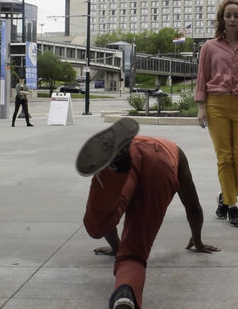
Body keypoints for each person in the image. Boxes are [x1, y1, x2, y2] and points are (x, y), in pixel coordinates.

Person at [76, 117, 220, 309]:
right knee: (133, 253)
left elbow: (111, 223)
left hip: (132, 150)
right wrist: (197, 239)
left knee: (102, 218)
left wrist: (116, 246)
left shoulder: (137, 143)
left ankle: (115, 169)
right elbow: (193, 207)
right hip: (161, 165)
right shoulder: (176, 151)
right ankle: (125, 293)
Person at [194, 0, 238, 228]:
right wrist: (201, 108)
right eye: (228, 15)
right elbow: (203, 78)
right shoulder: (210, 47)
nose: (232, 19)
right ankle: (232, 207)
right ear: (222, 20)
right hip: (217, 105)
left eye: (236, 15)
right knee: (225, 157)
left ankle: (224, 198)